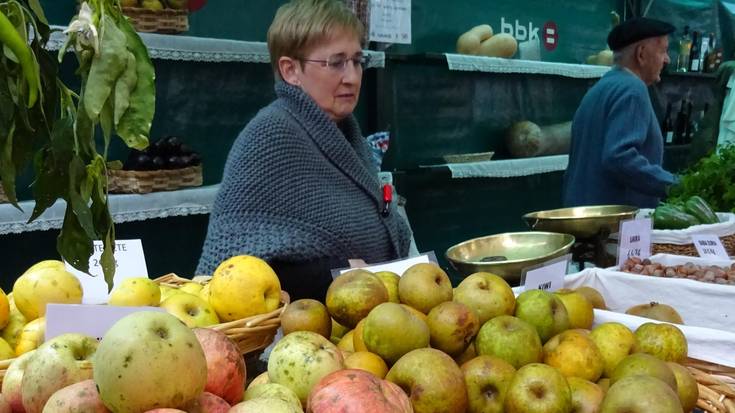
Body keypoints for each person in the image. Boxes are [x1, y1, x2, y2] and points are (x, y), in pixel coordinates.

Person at [196, 0, 412, 300]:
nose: (352, 76)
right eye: (336, 63)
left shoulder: (348, 133)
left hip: (361, 321)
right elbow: (232, 267)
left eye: (357, 61)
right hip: (295, 332)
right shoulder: (268, 138)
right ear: (290, 70)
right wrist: (336, 271)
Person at [563, 17, 678, 208]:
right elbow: (619, 157)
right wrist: (674, 185)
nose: (667, 59)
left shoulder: (601, 87)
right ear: (641, 54)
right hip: (614, 226)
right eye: (663, 51)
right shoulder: (633, 89)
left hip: (585, 216)